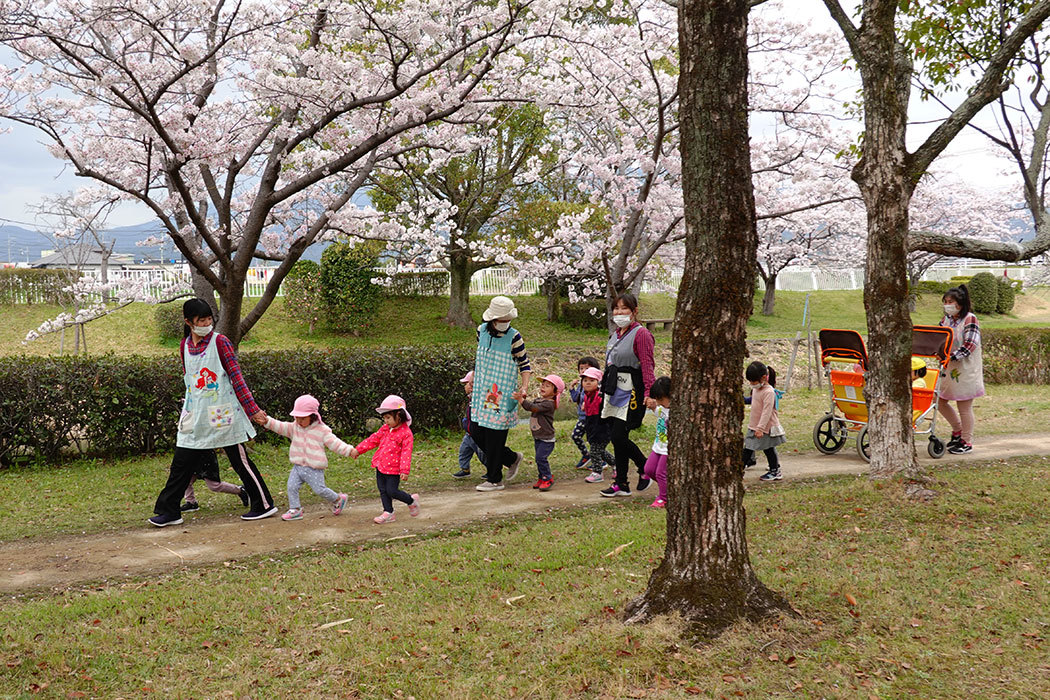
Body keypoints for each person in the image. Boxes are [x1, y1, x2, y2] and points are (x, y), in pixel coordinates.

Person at [149, 298, 278, 527]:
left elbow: (236, 378)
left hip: (222, 413)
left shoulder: (221, 342)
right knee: (181, 464)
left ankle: (264, 504)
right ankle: (170, 511)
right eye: (202, 320)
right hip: (194, 415)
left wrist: (253, 410)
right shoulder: (184, 346)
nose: (207, 323)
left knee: (239, 461)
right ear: (188, 322)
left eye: (209, 319)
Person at [254, 395, 352, 521]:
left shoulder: (322, 430)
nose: (299, 421)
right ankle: (295, 510)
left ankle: (338, 499)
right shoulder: (294, 427)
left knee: (320, 490)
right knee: (291, 487)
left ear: (313, 416)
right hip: (298, 466)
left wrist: (349, 450)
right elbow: (280, 426)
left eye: (303, 418)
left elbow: (335, 443)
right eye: (297, 417)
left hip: (314, 468)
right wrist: (267, 421)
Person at [599, 292, 656, 498]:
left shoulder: (641, 334)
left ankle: (645, 468)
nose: (619, 312)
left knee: (618, 435)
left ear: (634, 311)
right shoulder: (615, 334)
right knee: (617, 437)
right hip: (615, 390)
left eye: (624, 308)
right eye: (616, 308)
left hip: (633, 390)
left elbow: (648, 365)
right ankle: (621, 483)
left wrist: (649, 393)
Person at [471, 296, 528, 492]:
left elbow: (524, 364)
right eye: (501, 320)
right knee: (476, 430)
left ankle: (494, 478)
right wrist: (472, 379)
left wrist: (524, 388)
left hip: (502, 392)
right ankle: (511, 458)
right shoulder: (481, 332)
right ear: (493, 319)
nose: (505, 324)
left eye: (507, 320)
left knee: (495, 434)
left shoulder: (515, 337)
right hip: (482, 389)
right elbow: (480, 357)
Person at [351, 395, 419, 523]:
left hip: (393, 469)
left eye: (388, 418)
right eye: (384, 418)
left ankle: (411, 501)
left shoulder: (406, 434)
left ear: (399, 415)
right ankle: (388, 512)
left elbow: (406, 452)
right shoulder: (386, 428)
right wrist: (359, 449)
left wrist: (404, 470)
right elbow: (374, 439)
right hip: (380, 465)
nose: (386, 421)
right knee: (383, 490)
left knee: (392, 491)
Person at [938, 285, 984, 454]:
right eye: (945, 302)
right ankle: (957, 431)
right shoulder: (946, 320)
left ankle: (967, 441)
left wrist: (953, 356)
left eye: (950, 302)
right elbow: (940, 338)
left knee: (964, 406)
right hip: (949, 367)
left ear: (961, 303)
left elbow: (970, 344)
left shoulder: (970, 319)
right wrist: (938, 352)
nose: (947, 305)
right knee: (940, 401)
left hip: (966, 368)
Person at [514, 374, 564, 492]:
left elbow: (533, 408)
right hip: (538, 436)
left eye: (547, 386)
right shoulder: (540, 400)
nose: (543, 387)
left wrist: (521, 400)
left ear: (555, 392)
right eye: (543, 385)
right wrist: (524, 397)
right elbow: (533, 404)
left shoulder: (549, 404)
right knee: (538, 458)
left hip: (546, 438)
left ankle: (547, 478)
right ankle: (542, 477)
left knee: (541, 458)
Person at [742, 361, 785, 482]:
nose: (752, 384)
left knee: (768, 449)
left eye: (753, 382)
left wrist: (760, 428)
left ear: (763, 378)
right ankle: (744, 464)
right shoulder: (757, 389)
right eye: (750, 382)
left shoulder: (769, 392)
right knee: (750, 446)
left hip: (765, 427)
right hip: (755, 425)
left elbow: (766, 412)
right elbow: (754, 401)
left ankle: (775, 470)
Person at [580, 367, 615, 483]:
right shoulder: (586, 396)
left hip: (602, 427)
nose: (588, 383)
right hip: (591, 426)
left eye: (592, 380)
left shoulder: (600, 396)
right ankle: (616, 464)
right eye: (585, 380)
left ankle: (597, 472)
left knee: (595, 450)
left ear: (598, 382)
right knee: (599, 451)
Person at [568, 356, 602, 470]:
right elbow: (575, 398)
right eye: (581, 368)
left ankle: (601, 461)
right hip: (583, 417)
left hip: (593, 418)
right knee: (576, 436)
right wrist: (571, 388)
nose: (583, 371)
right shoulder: (582, 384)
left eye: (587, 368)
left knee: (594, 441)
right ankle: (587, 455)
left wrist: (588, 403)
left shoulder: (597, 386)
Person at [642, 376, 671, 508]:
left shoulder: (678, 411)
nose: (658, 402)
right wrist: (653, 407)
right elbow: (658, 413)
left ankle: (663, 498)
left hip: (668, 448)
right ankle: (667, 489)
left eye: (660, 399)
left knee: (661, 473)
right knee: (649, 470)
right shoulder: (662, 407)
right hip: (658, 445)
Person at [452, 370, 486, 479]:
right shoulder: (470, 398)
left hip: (477, 433)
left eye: (467, 383)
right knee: (464, 451)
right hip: (469, 433)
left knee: (482, 455)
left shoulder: (478, 399)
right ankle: (465, 469)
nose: (465, 386)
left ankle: (491, 470)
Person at [179, 474, 249, 514]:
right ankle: (191, 502)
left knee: (214, 486)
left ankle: (240, 490)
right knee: (185, 480)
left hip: (204, 458)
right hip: (189, 455)